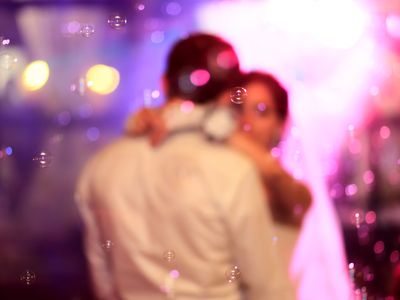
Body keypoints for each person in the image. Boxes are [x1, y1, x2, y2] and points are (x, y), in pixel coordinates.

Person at [76, 33, 293, 300]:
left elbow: (104, 282)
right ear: (227, 97)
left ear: (165, 83)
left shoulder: (101, 167)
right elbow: (269, 290)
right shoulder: (233, 172)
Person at [126, 71, 312, 284]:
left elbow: (290, 193)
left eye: (260, 111)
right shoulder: (210, 177)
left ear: (280, 125)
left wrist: (197, 124)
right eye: (238, 108)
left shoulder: (288, 191)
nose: (246, 121)